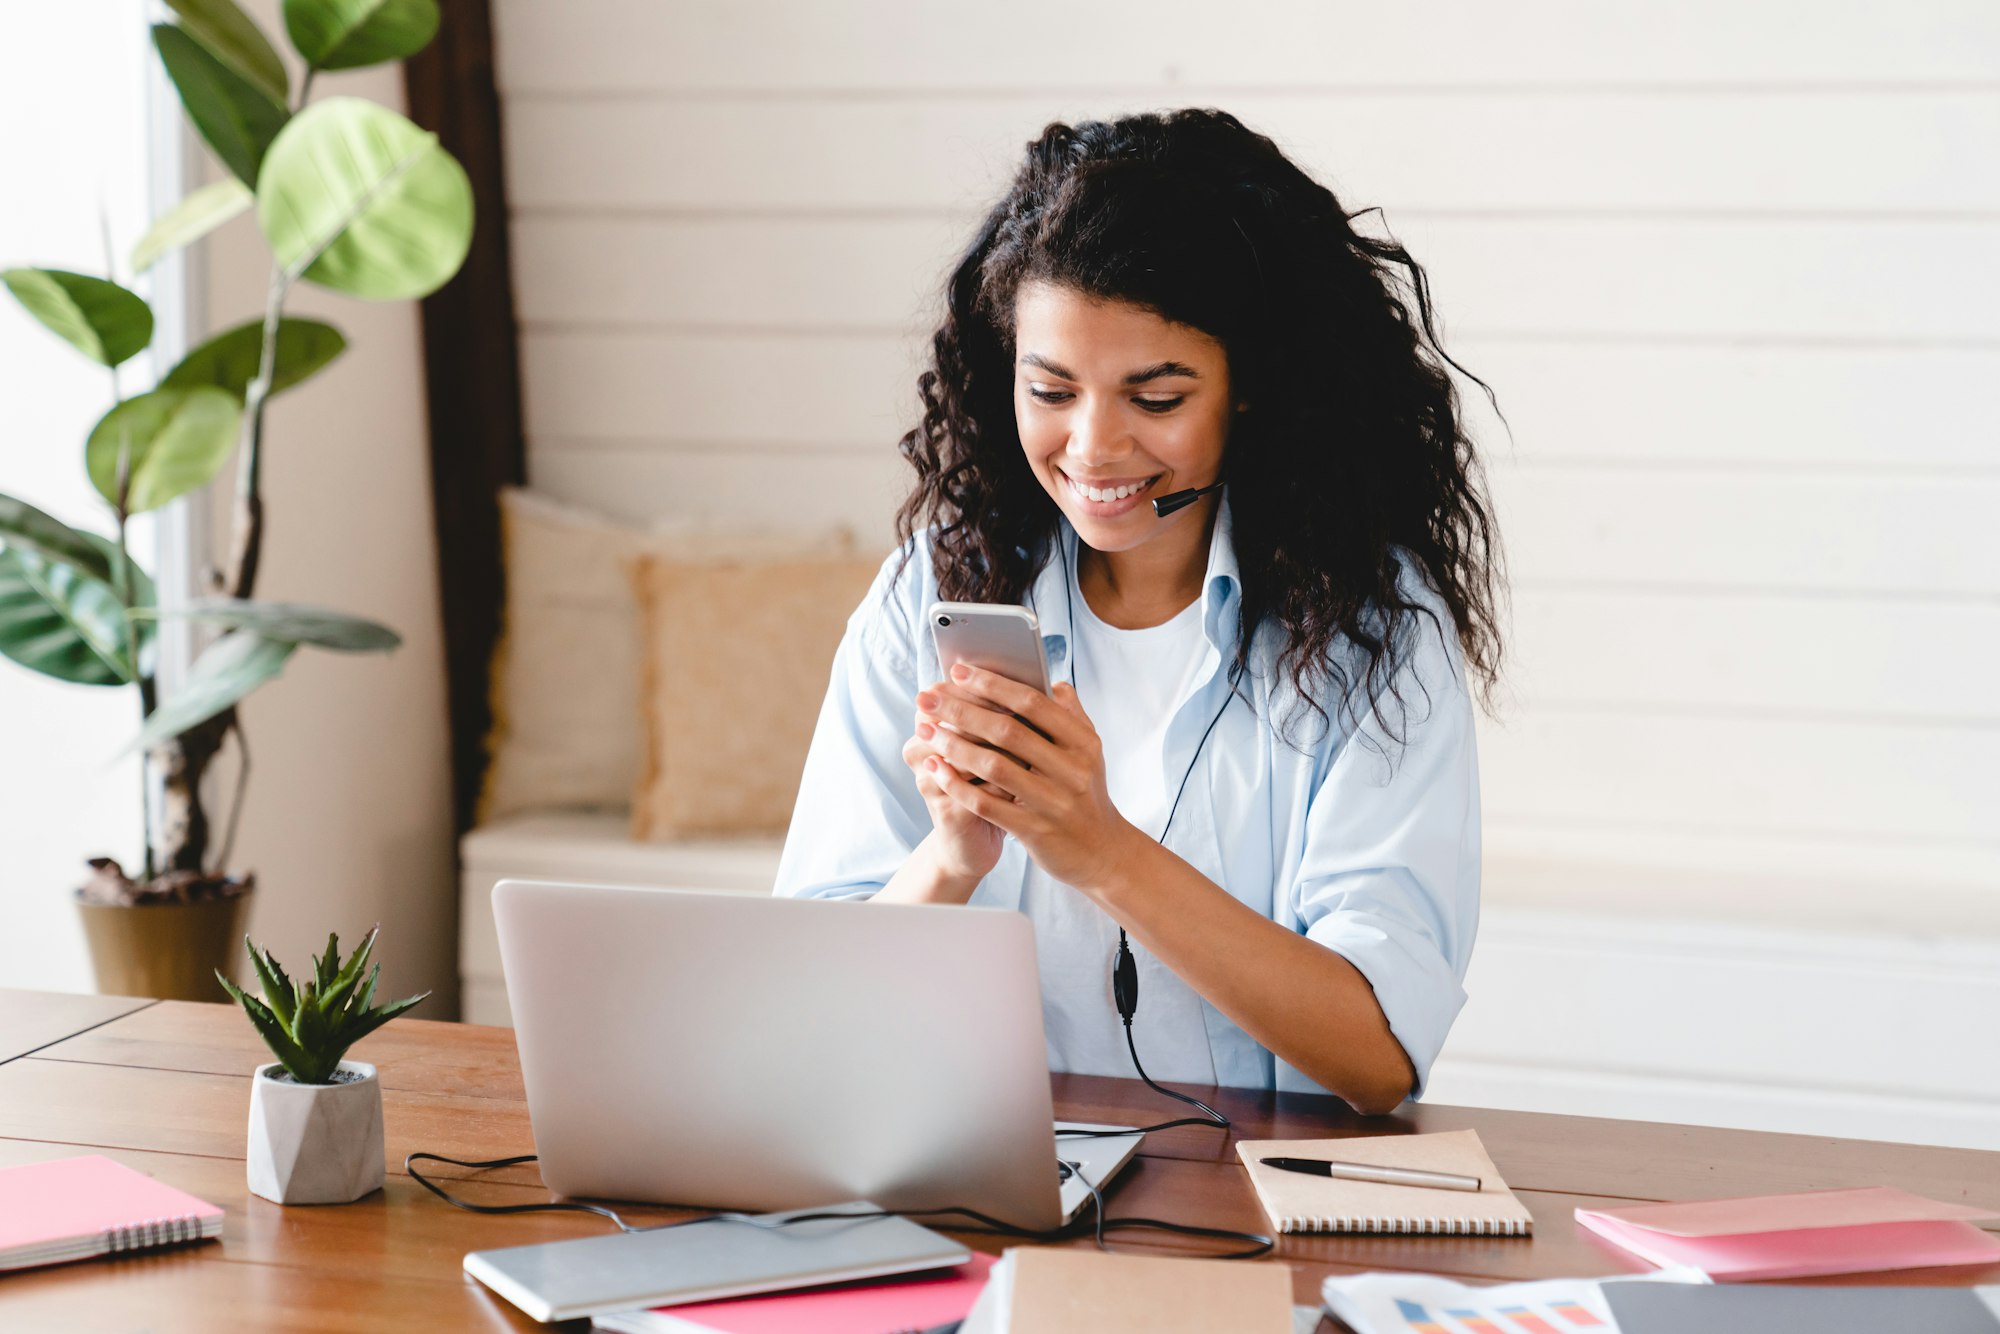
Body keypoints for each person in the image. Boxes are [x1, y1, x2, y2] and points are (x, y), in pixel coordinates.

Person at [773, 108, 1508, 1116]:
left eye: (1154, 397)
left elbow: (1377, 1052)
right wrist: (951, 858)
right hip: (978, 1182)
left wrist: (1099, 849)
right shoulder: (931, 589)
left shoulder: (1369, 631)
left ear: (1250, 388)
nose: (1092, 445)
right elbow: (804, 1006)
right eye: (1050, 388)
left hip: (1252, 1208)